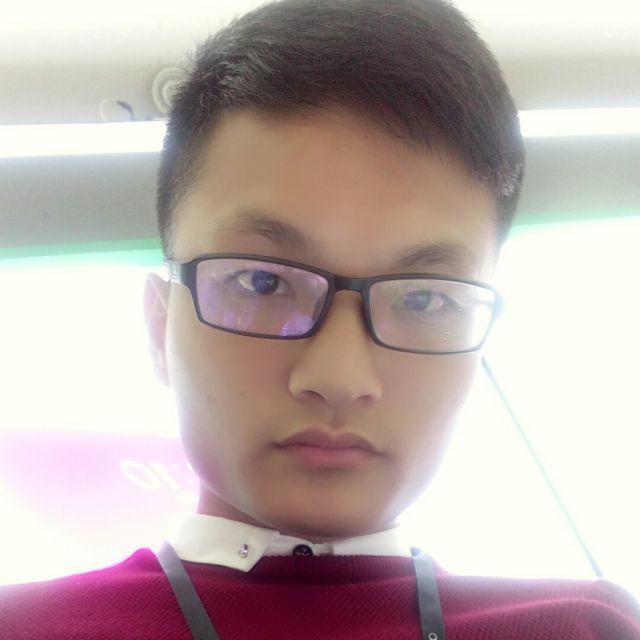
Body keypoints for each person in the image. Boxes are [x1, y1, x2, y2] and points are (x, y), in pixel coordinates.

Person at [1, 0, 639, 638]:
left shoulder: (585, 627)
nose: (339, 378)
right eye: (263, 282)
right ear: (159, 327)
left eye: (423, 299)